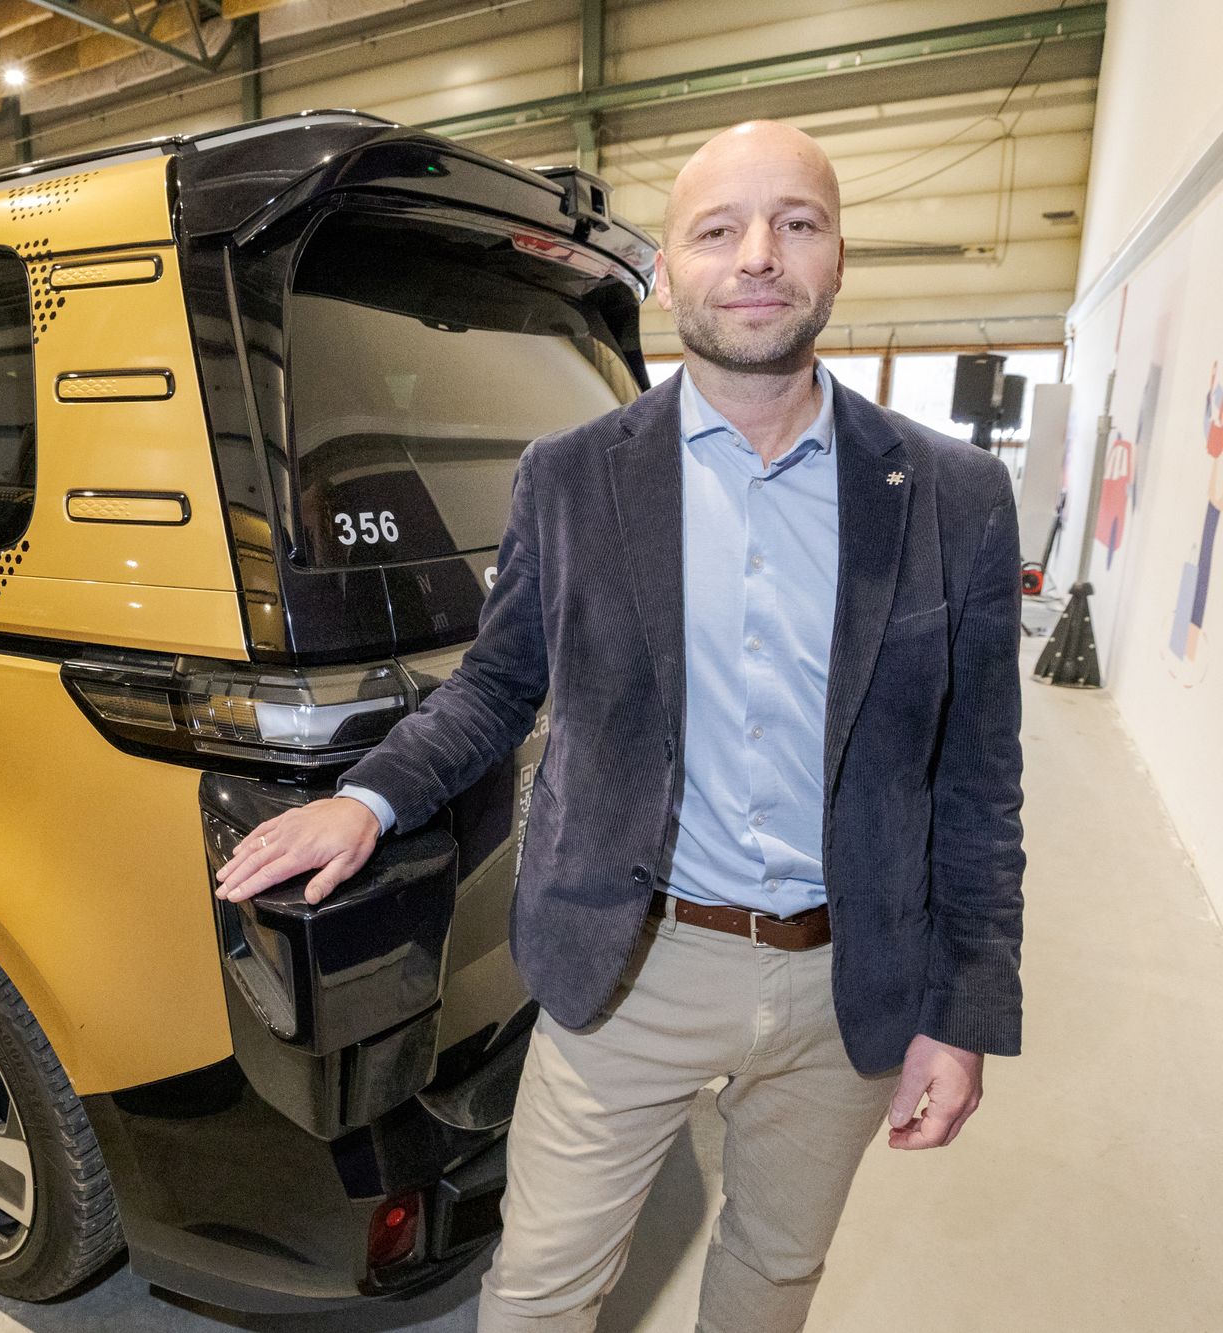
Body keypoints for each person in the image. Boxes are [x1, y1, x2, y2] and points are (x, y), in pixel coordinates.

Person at [213, 120, 1025, 1332]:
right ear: (664, 274)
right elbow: (497, 686)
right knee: (541, 1287)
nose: (756, 255)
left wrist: (960, 1016)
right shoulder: (571, 476)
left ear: (838, 258)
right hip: (634, 958)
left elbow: (977, 781)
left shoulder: (954, 496)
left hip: (850, 975)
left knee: (771, 1272)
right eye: (716, 229)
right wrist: (364, 796)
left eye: (794, 223)